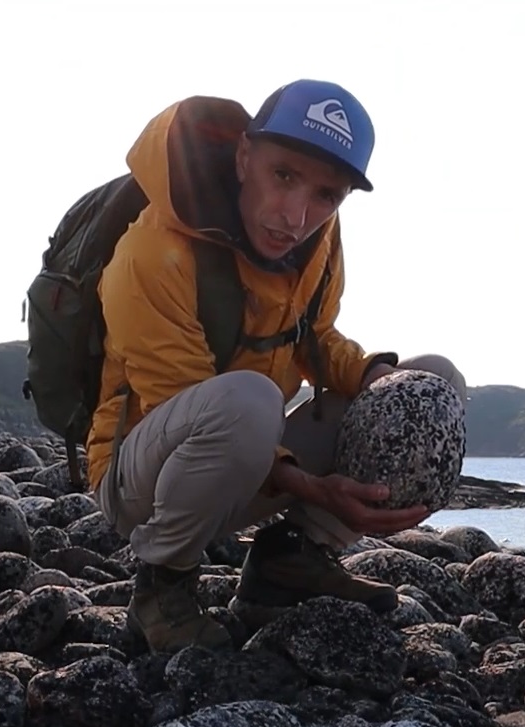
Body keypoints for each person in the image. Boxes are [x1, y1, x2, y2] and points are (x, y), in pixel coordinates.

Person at [88, 79, 467, 653]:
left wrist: (373, 378)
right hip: (145, 477)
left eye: (326, 195)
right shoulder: (153, 255)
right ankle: (162, 589)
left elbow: (314, 339)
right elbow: (180, 399)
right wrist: (308, 483)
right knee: (251, 401)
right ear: (245, 157)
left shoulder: (317, 240)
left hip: (246, 451)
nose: (296, 215)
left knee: (431, 384)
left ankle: (292, 563)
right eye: (283, 176)